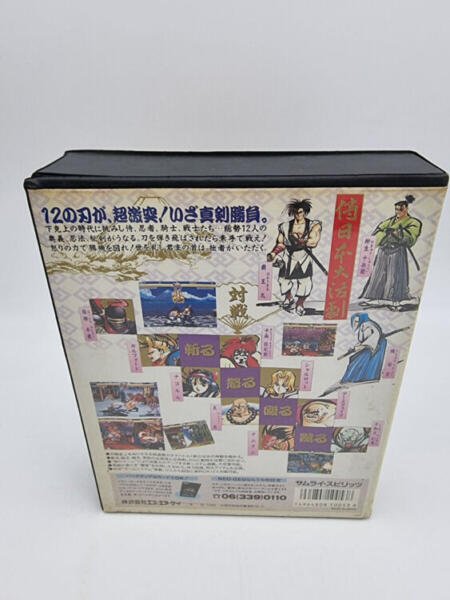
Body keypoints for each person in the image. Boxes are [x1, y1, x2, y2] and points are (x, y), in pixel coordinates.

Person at [360, 195, 422, 311]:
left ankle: (393, 299)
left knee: (394, 276)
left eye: (400, 209)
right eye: (396, 209)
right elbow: (378, 230)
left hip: (397, 251)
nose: (398, 212)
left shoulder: (413, 222)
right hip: (384, 250)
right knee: (378, 274)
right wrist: (385, 233)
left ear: (406, 209)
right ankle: (374, 297)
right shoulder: (390, 221)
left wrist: (397, 233)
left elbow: (411, 236)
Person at [267, 199, 322, 316]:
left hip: (304, 256)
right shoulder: (285, 226)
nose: (298, 214)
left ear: (304, 212)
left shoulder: (313, 225)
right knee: (283, 279)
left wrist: (304, 241)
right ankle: (289, 298)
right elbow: (281, 243)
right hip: (288, 255)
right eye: (296, 212)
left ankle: (300, 304)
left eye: (300, 212)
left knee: (305, 281)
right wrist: (273, 253)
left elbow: (313, 242)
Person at [321, 312, 387, 396]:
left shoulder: (367, 325)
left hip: (373, 348)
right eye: (354, 321)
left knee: (356, 362)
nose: (355, 323)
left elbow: (370, 340)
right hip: (367, 347)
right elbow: (363, 341)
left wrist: (358, 348)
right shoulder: (362, 326)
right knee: (353, 359)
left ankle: (355, 379)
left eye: (357, 321)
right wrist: (355, 347)